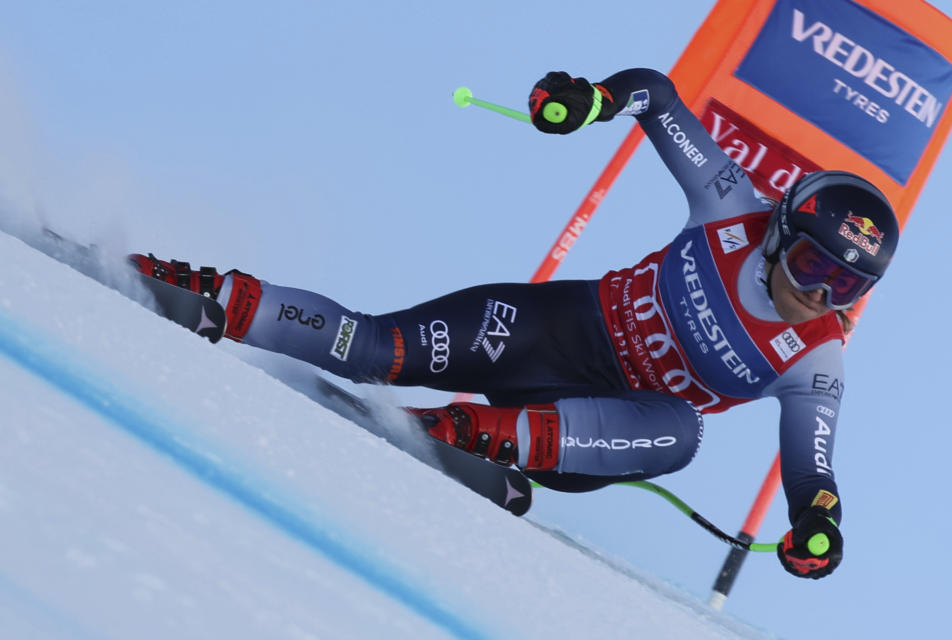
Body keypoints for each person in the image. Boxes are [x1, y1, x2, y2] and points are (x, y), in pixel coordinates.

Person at [130, 68, 899, 580]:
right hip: (550, 328)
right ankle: (205, 296)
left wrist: (817, 529)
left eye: (844, 287)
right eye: (811, 266)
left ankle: (465, 434)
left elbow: (812, 474)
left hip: (596, 425)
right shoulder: (736, 205)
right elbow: (658, 98)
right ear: (777, 233)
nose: (818, 294)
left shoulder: (817, 361)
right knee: (374, 348)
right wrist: (590, 100)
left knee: (680, 435)